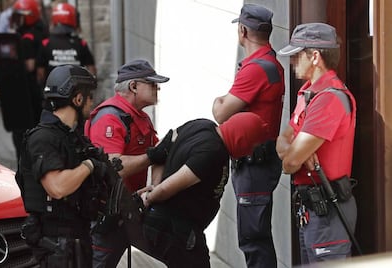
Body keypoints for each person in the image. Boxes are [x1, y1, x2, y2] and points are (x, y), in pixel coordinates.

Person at [135, 112, 269, 267]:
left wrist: (155, 185)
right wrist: (151, 196)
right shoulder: (213, 152)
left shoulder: (202, 125)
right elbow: (169, 187)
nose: (249, 153)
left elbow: (160, 150)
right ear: (241, 139)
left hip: (174, 225)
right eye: (252, 146)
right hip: (175, 227)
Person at [276, 23, 357, 264]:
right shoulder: (308, 92)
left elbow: (289, 164)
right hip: (311, 211)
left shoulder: (328, 99)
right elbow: (282, 140)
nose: (292, 62)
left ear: (314, 56)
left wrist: (293, 155)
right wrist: (295, 153)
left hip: (329, 214)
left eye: (296, 55)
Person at [211, 4, 284, 268]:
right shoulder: (267, 63)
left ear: (242, 31)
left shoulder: (256, 69)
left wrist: (218, 101)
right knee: (257, 238)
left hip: (255, 165)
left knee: (253, 240)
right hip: (258, 163)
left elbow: (221, 113)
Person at [15, 64, 109, 267]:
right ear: (77, 99)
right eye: (89, 96)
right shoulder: (43, 138)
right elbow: (57, 187)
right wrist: (89, 166)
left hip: (78, 239)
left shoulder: (72, 138)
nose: (92, 102)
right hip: (56, 246)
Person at [84, 59, 170, 267]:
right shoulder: (109, 118)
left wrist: (156, 189)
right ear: (133, 86)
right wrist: (152, 156)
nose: (157, 88)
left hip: (131, 209)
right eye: (152, 84)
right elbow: (112, 168)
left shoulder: (140, 118)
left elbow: (160, 155)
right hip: (107, 215)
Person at [8, 0, 49, 160]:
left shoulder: (26, 37)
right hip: (41, 86)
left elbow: (30, 65)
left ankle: (26, 158)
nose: (18, 19)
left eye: (21, 16)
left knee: (23, 127)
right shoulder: (42, 29)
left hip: (28, 88)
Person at [36, 2, 96, 87]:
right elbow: (92, 71)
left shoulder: (46, 43)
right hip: (77, 93)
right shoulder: (81, 43)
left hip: (53, 92)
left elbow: (40, 74)